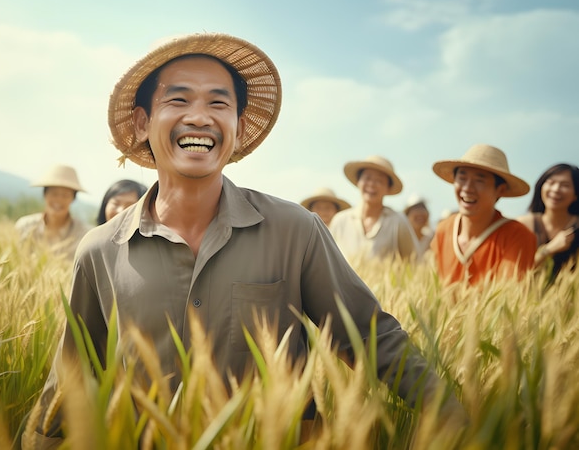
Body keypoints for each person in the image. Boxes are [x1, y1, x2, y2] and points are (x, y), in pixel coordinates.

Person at [24, 33, 462, 448]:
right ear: (142, 123)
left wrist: (458, 417)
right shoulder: (100, 251)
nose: (199, 116)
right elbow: (71, 381)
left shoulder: (296, 230)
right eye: (178, 99)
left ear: (238, 123)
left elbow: (369, 336)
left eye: (219, 102)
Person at [430, 144, 536, 286]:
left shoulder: (518, 235)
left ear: (500, 190)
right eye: (462, 178)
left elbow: (507, 296)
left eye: (480, 180)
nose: (467, 188)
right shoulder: (443, 229)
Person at [329, 155, 417, 264]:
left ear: (388, 188)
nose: (371, 184)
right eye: (367, 178)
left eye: (379, 181)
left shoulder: (398, 222)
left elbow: (413, 262)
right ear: (358, 182)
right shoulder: (340, 220)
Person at [517, 163, 579, 284]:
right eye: (551, 183)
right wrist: (549, 249)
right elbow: (516, 272)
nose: (556, 189)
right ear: (541, 186)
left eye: (565, 185)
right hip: (529, 299)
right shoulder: (523, 225)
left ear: (576, 195)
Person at [15, 164, 91, 261]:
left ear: (73, 199)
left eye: (65, 195)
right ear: (45, 194)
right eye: (54, 194)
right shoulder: (24, 226)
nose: (59, 200)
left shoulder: (84, 234)